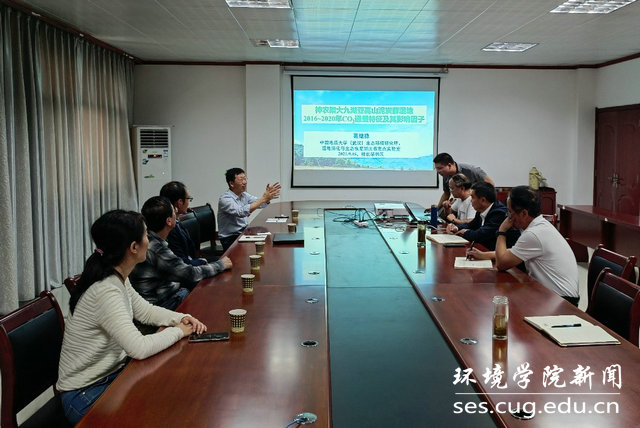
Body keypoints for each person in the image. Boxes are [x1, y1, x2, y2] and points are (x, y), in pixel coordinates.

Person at [57, 210, 207, 425]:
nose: (149, 240)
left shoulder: (116, 275)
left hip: (111, 375)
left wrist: (182, 318)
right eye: (146, 235)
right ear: (134, 247)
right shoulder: (105, 289)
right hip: (86, 393)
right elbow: (138, 348)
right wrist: (179, 331)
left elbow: (145, 311)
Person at [467, 186, 580, 305]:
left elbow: (501, 264)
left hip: (561, 301)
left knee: (499, 301)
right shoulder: (540, 226)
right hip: (553, 295)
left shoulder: (533, 234)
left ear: (524, 213)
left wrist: (501, 231)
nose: (508, 217)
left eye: (510, 212)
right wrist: (485, 255)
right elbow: (513, 253)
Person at [130, 196, 232, 309]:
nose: (177, 212)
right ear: (169, 221)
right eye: (174, 211)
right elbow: (189, 274)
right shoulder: (156, 248)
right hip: (160, 304)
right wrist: (221, 265)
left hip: (166, 293)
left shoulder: (152, 238)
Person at [218, 167, 281, 252]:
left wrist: (267, 198)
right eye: (241, 180)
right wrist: (263, 199)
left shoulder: (244, 195)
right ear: (231, 183)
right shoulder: (225, 199)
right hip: (230, 238)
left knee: (267, 240)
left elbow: (259, 204)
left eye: (245, 179)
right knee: (255, 249)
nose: (245, 182)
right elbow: (240, 212)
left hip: (243, 232)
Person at [446, 182, 519, 251]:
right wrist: (456, 228)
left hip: (502, 255)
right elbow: (471, 225)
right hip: (486, 250)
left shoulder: (499, 213)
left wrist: (465, 232)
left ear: (483, 200)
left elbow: (479, 235)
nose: (471, 201)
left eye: (472, 197)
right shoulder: (481, 209)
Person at [160, 181, 207, 266]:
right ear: (180, 202)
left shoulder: (176, 222)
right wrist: (202, 262)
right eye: (188, 199)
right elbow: (182, 263)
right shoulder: (170, 229)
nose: (189, 203)